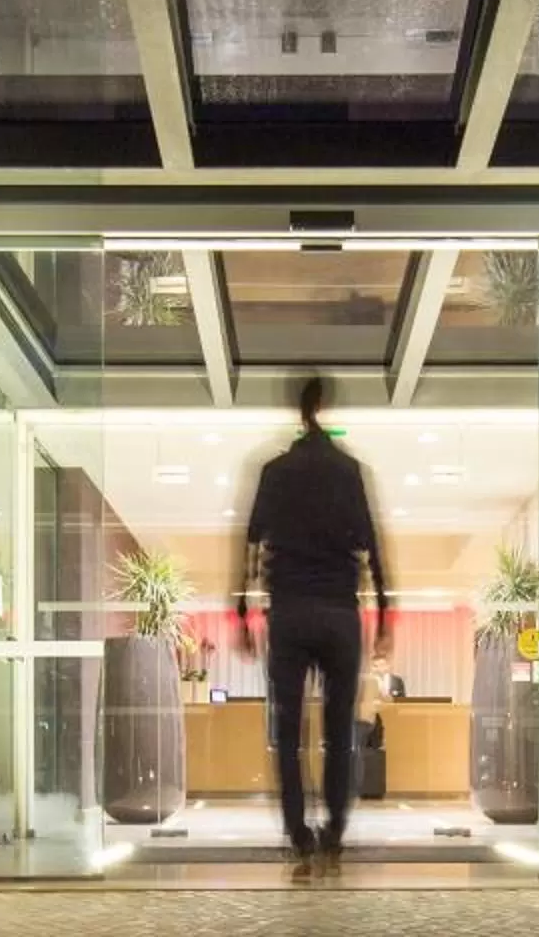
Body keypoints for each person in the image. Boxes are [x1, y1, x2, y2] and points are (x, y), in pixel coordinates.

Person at [233, 374, 393, 876]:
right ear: (322, 405)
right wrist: (384, 613)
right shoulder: (348, 471)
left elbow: (251, 542)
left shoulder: (275, 472)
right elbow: (372, 545)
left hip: (289, 613)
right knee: (340, 730)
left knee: (288, 731)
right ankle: (335, 830)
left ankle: (299, 834)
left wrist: (241, 612)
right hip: (340, 613)